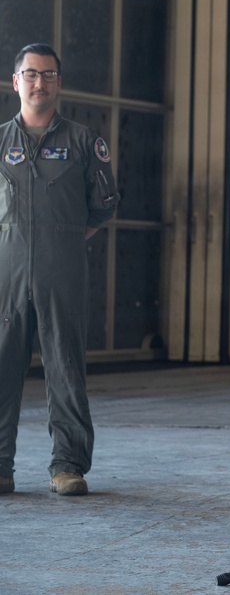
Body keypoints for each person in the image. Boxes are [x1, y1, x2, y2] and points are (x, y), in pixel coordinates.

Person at [0, 43, 120, 496]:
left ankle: (67, 466)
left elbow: (102, 208)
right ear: (16, 82)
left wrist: (61, 239)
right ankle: (0, 467)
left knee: (65, 365)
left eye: (48, 75)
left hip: (62, 271)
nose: (39, 82)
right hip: (5, 271)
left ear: (59, 83)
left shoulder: (84, 141)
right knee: (1, 364)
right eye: (31, 74)